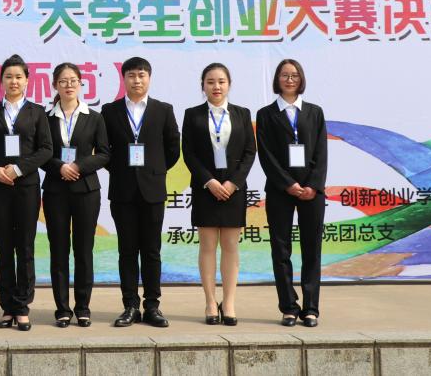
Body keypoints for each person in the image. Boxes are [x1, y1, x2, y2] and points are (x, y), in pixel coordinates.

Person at [101, 56, 180, 329]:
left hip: (153, 190)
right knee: (126, 250)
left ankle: (152, 306)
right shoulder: (109, 111)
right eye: (132, 75)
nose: (137, 80)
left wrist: (154, 171)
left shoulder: (163, 110)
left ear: (149, 78)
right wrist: (121, 170)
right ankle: (130, 306)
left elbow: (173, 149)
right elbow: (104, 150)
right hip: (122, 190)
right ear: (123, 79)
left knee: (151, 250)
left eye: (142, 75)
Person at [0, 54, 52, 331]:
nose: (13, 81)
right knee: (4, 247)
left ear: (27, 80)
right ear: (1, 81)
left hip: (27, 187)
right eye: (8, 76)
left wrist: (19, 169)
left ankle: (22, 306)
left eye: (18, 77)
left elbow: (46, 150)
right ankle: (7, 306)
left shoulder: (37, 112)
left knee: (25, 246)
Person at [181, 63, 257, 326]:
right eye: (211, 81)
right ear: (203, 85)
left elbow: (249, 152)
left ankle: (230, 302)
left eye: (221, 81)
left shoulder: (242, 113)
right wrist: (209, 181)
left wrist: (233, 183)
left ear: (229, 84)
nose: (216, 86)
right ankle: (211, 302)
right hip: (206, 189)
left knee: (231, 246)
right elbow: (189, 153)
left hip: (234, 190)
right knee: (207, 245)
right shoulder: (192, 115)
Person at [256, 59, 327, 328]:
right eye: (284, 75)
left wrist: (313, 185)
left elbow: (321, 152)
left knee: (312, 250)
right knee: (281, 249)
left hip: (311, 191)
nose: (289, 80)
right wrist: (287, 184)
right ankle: (288, 307)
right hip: (279, 190)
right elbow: (266, 155)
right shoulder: (266, 114)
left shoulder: (314, 112)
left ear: (301, 79)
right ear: (277, 79)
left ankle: (311, 308)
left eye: (294, 75)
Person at [41, 62, 110, 328]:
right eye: (63, 81)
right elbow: (40, 153)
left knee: (83, 250)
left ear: (81, 84)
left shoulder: (94, 117)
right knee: (58, 250)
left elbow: (104, 153)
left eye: (73, 81)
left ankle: (83, 307)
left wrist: (79, 166)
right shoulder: (45, 118)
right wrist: (60, 167)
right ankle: (62, 308)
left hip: (86, 190)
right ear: (55, 85)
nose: (68, 85)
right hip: (55, 191)